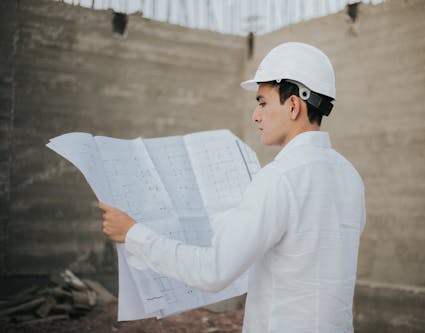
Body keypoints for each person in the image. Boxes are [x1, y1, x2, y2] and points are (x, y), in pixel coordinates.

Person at [99, 42, 366, 332]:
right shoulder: (349, 177)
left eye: (262, 102)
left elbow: (213, 271)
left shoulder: (280, 178)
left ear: (293, 105)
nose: (256, 115)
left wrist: (133, 234)